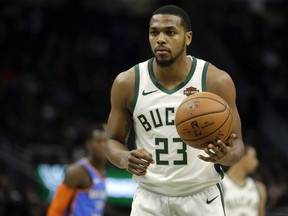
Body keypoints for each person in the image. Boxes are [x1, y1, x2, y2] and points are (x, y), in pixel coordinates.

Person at [106, 4, 244, 216]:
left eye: (170, 32)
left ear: (188, 37)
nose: (160, 39)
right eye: (154, 32)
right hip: (149, 197)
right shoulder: (128, 82)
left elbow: (238, 146)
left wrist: (225, 156)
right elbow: (112, 140)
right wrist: (125, 158)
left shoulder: (215, 80)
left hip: (201, 196)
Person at [47, 123, 107, 216]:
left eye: (106, 141)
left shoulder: (102, 172)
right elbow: (56, 208)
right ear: (89, 144)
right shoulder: (77, 171)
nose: (103, 145)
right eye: (99, 141)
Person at [221, 145, 267, 216]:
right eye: (254, 158)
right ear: (241, 157)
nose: (256, 162)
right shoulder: (219, 184)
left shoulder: (259, 187)